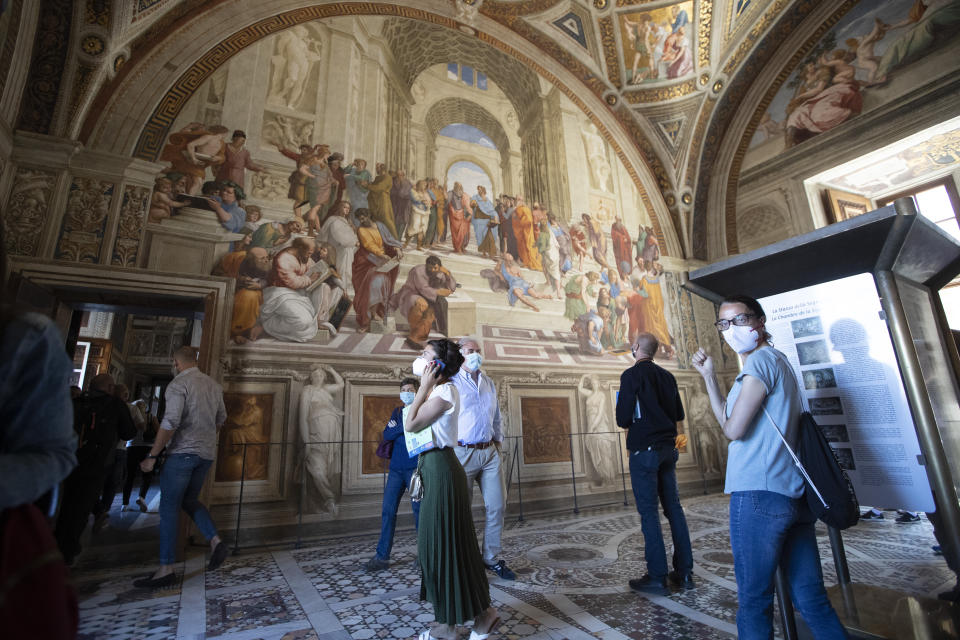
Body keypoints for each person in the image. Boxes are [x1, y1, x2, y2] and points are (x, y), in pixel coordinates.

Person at [691, 295, 848, 638]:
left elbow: (733, 430)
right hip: (792, 495)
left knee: (754, 601)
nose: (731, 330)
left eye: (739, 320)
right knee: (812, 599)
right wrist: (709, 377)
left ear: (759, 322)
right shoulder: (779, 360)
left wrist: (715, 385)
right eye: (724, 323)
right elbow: (730, 422)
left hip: (759, 494)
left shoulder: (759, 363)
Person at [404, 339, 500, 640]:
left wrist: (421, 387)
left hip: (444, 470)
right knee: (446, 545)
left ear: (437, 366)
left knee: (443, 546)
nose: (420, 359)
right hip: (435, 469)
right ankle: (478, 616)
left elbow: (411, 423)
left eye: (425, 355)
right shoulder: (440, 391)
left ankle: (449, 626)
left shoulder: (444, 391)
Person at [135, 346, 229, 588]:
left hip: (182, 454)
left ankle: (166, 568)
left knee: (168, 508)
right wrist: (203, 438)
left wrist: (152, 455)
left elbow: (170, 422)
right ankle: (215, 541)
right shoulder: (214, 385)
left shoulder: (178, 385)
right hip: (206, 454)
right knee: (189, 500)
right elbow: (221, 419)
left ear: (175, 363)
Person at [615, 333, 693, 594]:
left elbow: (623, 418)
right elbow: (679, 414)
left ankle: (657, 576)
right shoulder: (668, 376)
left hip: (644, 451)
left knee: (649, 512)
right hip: (668, 450)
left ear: (636, 348)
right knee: (674, 509)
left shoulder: (631, 376)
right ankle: (685, 573)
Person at [452, 337, 516, 581]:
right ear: (460, 354)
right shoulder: (452, 383)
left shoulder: (488, 382)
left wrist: (497, 443)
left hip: (489, 452)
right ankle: (465, 561)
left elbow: (497, 416)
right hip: (462, 452)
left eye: (478, 351)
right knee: (462, 511)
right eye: (470, 351)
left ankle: (490, 557)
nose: (476, 354)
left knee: (497, 506)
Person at [364, 377, 422, 571]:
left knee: (419, 513)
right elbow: (387, 434)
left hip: (415, 468)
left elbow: (419, 432)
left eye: (410, 389)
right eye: (404, 389)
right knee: (388, 510)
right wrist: (405, 427)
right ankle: (382, 556)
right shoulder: (397, 412)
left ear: (417, 391)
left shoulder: (423, 410)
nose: (406, 392)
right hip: (396, 469)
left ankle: (424, 556)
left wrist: (398, 428)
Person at [391, 255, 457, 350]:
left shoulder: (440, 273)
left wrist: (447, 274)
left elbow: (452, 287)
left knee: (430, 314)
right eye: (430, 268)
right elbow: (422, 288)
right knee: (422, 305)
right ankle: (414, 335)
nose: (433, 270)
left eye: (435, 268)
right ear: (426, 266)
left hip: (430, 298)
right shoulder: (418, 271)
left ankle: (415, 338)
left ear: (439, 267)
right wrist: (438, 292)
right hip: (411, 294)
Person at [123, 400, 157, 512]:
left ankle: (125, 503)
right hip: (147, 446)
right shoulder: (151, 416)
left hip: (132, 445)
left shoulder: (130, 415)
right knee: (147, 475)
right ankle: (141, 497)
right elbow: (158, 430)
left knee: (129, 475)